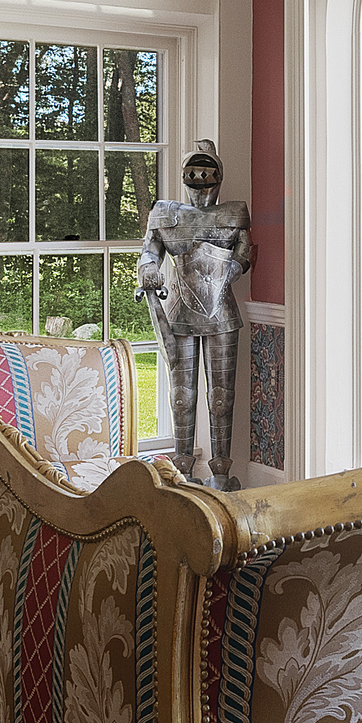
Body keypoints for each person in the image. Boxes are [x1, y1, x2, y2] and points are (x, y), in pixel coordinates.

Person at [138, 140, 251, 489]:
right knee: (182, 394)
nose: (200, 180)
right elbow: (149, 251)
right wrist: (148, 269)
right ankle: (183, 471)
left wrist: (229, 270)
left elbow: (246, 251)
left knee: (221, 396)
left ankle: (220, 474)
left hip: (221, 312)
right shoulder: (165, 213)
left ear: (217, 176)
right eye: (194, 172)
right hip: (179, 311)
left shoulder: (233, 213)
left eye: (207, 172)